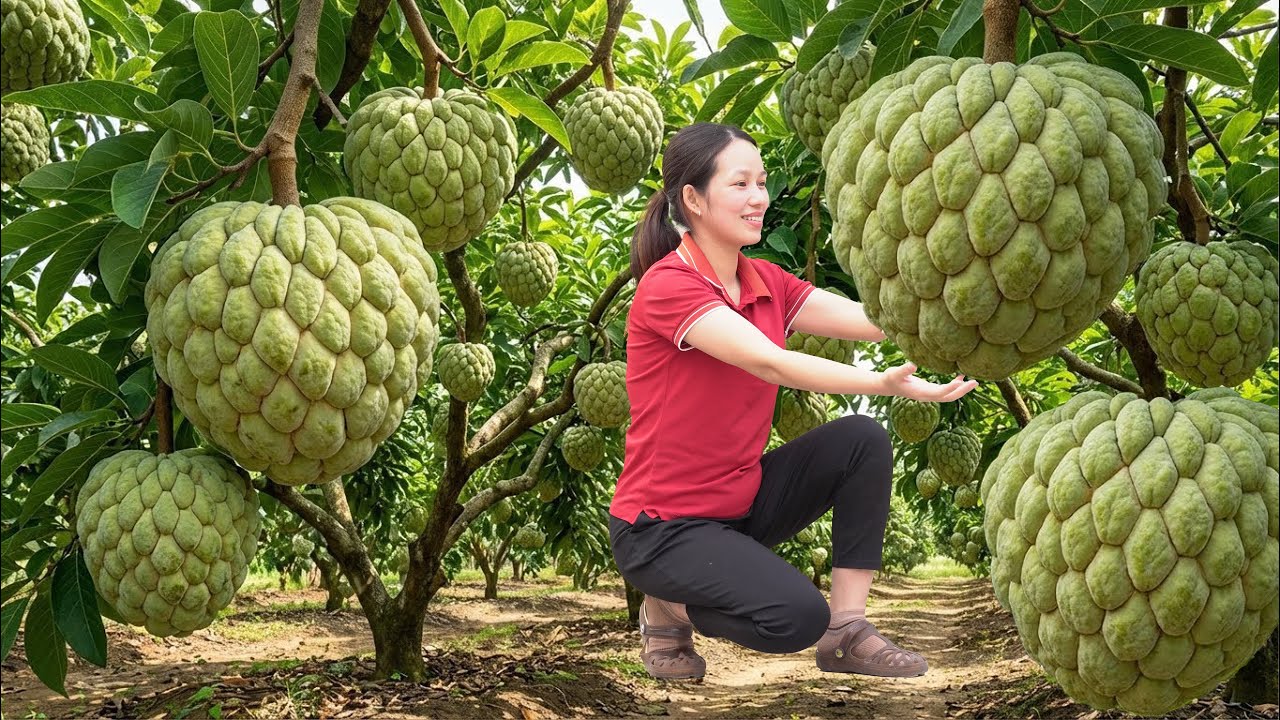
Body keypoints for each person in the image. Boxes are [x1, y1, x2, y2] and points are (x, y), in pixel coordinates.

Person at [607, 122, 979, 682]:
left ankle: (848, 630)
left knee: (863, 441)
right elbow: (768, 361)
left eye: (761, 182)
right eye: (740, 184)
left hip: (740, 506)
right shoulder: (669, 286)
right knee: (795, 618)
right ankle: (666, 602)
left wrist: (966, 304)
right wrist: (882, 385)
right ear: (693, 199)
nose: (758, 197)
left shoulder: (766, 282)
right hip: (660, 529)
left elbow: (873, 322)